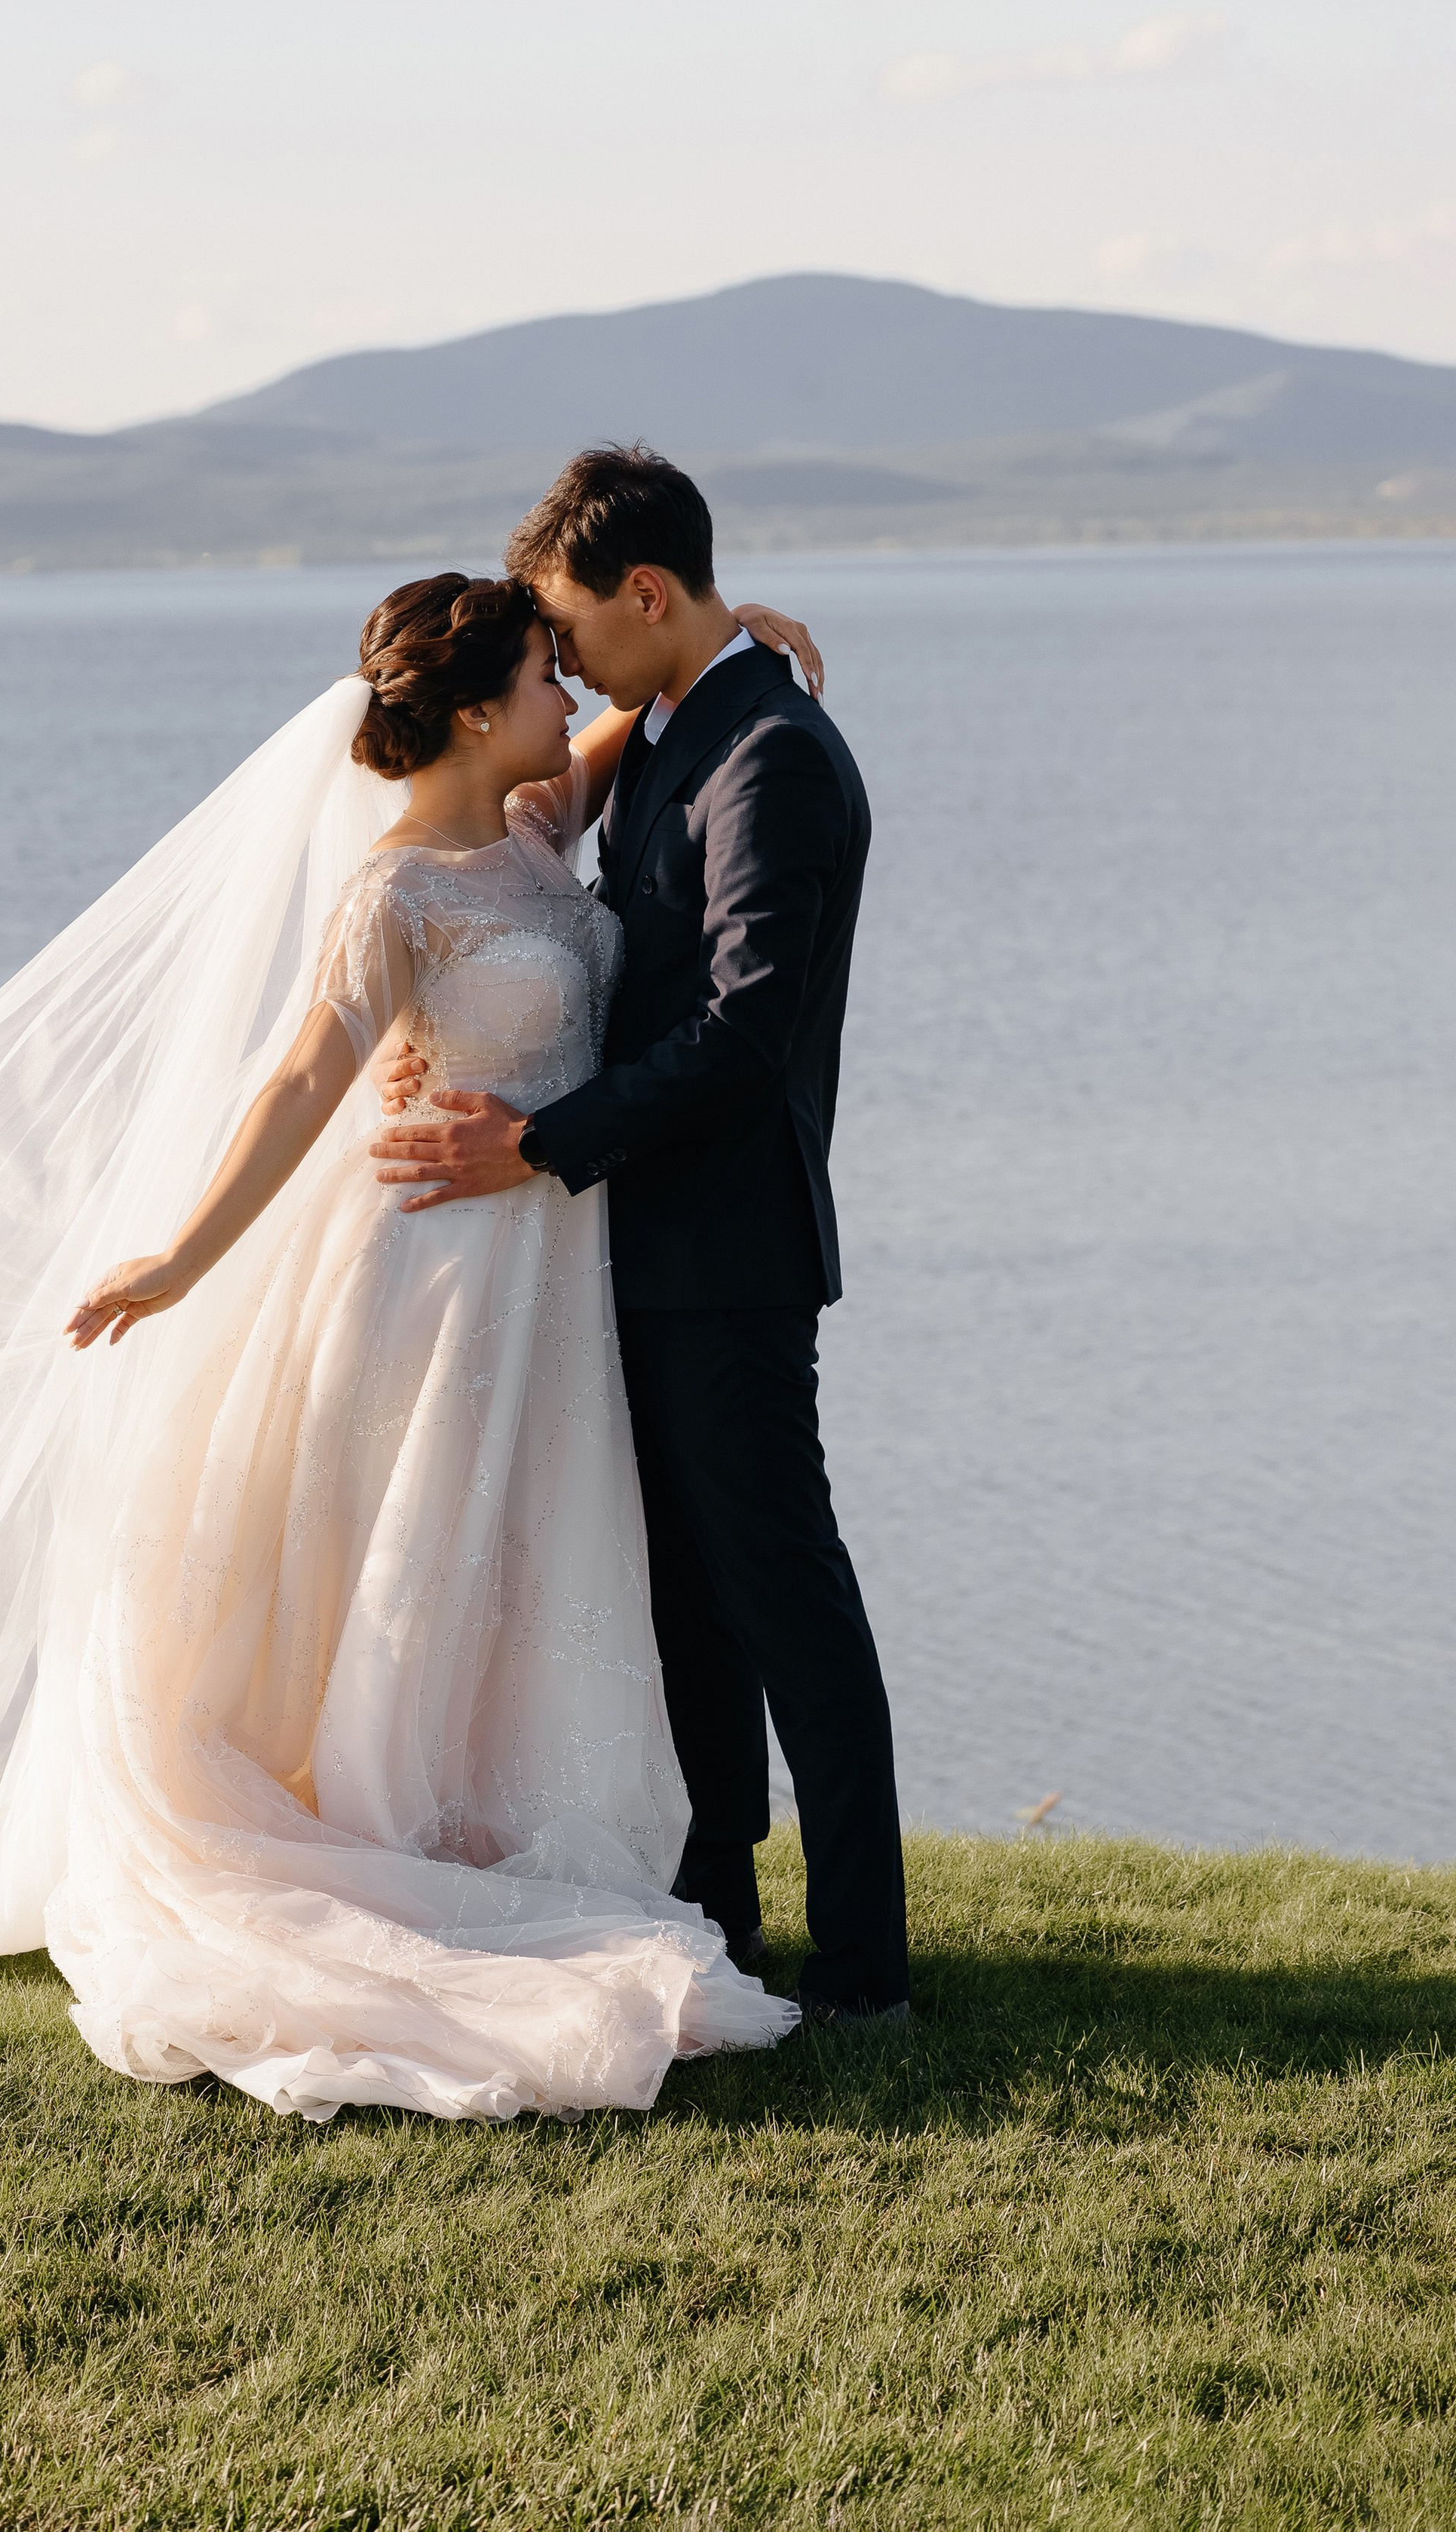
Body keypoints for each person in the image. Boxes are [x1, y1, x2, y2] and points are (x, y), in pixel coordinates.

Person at [0, 566, 823, 2122]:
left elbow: (635, 705)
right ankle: (389, 1828)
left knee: (518, 1552)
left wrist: (730, 636)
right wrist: (180, 1260)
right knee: (416, 1552)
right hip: (430, 1271)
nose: (570, 698)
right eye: (544, 679)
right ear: (479, 715)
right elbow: (300, 1085)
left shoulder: (534, 821)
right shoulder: (395, 892)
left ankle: (488, 1818)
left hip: (541, 1273)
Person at [371, 449, 910, 2028]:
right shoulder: (687, 723)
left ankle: (864, 1967)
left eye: (568, 625)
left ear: (648, 593)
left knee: (784, 1600)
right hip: (641, 1245)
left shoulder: (772, 759)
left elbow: (747, 1028)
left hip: (726, 1258)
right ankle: (716, 1911)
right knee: (689, 1608)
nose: (558, 654)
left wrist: (537, 1141)